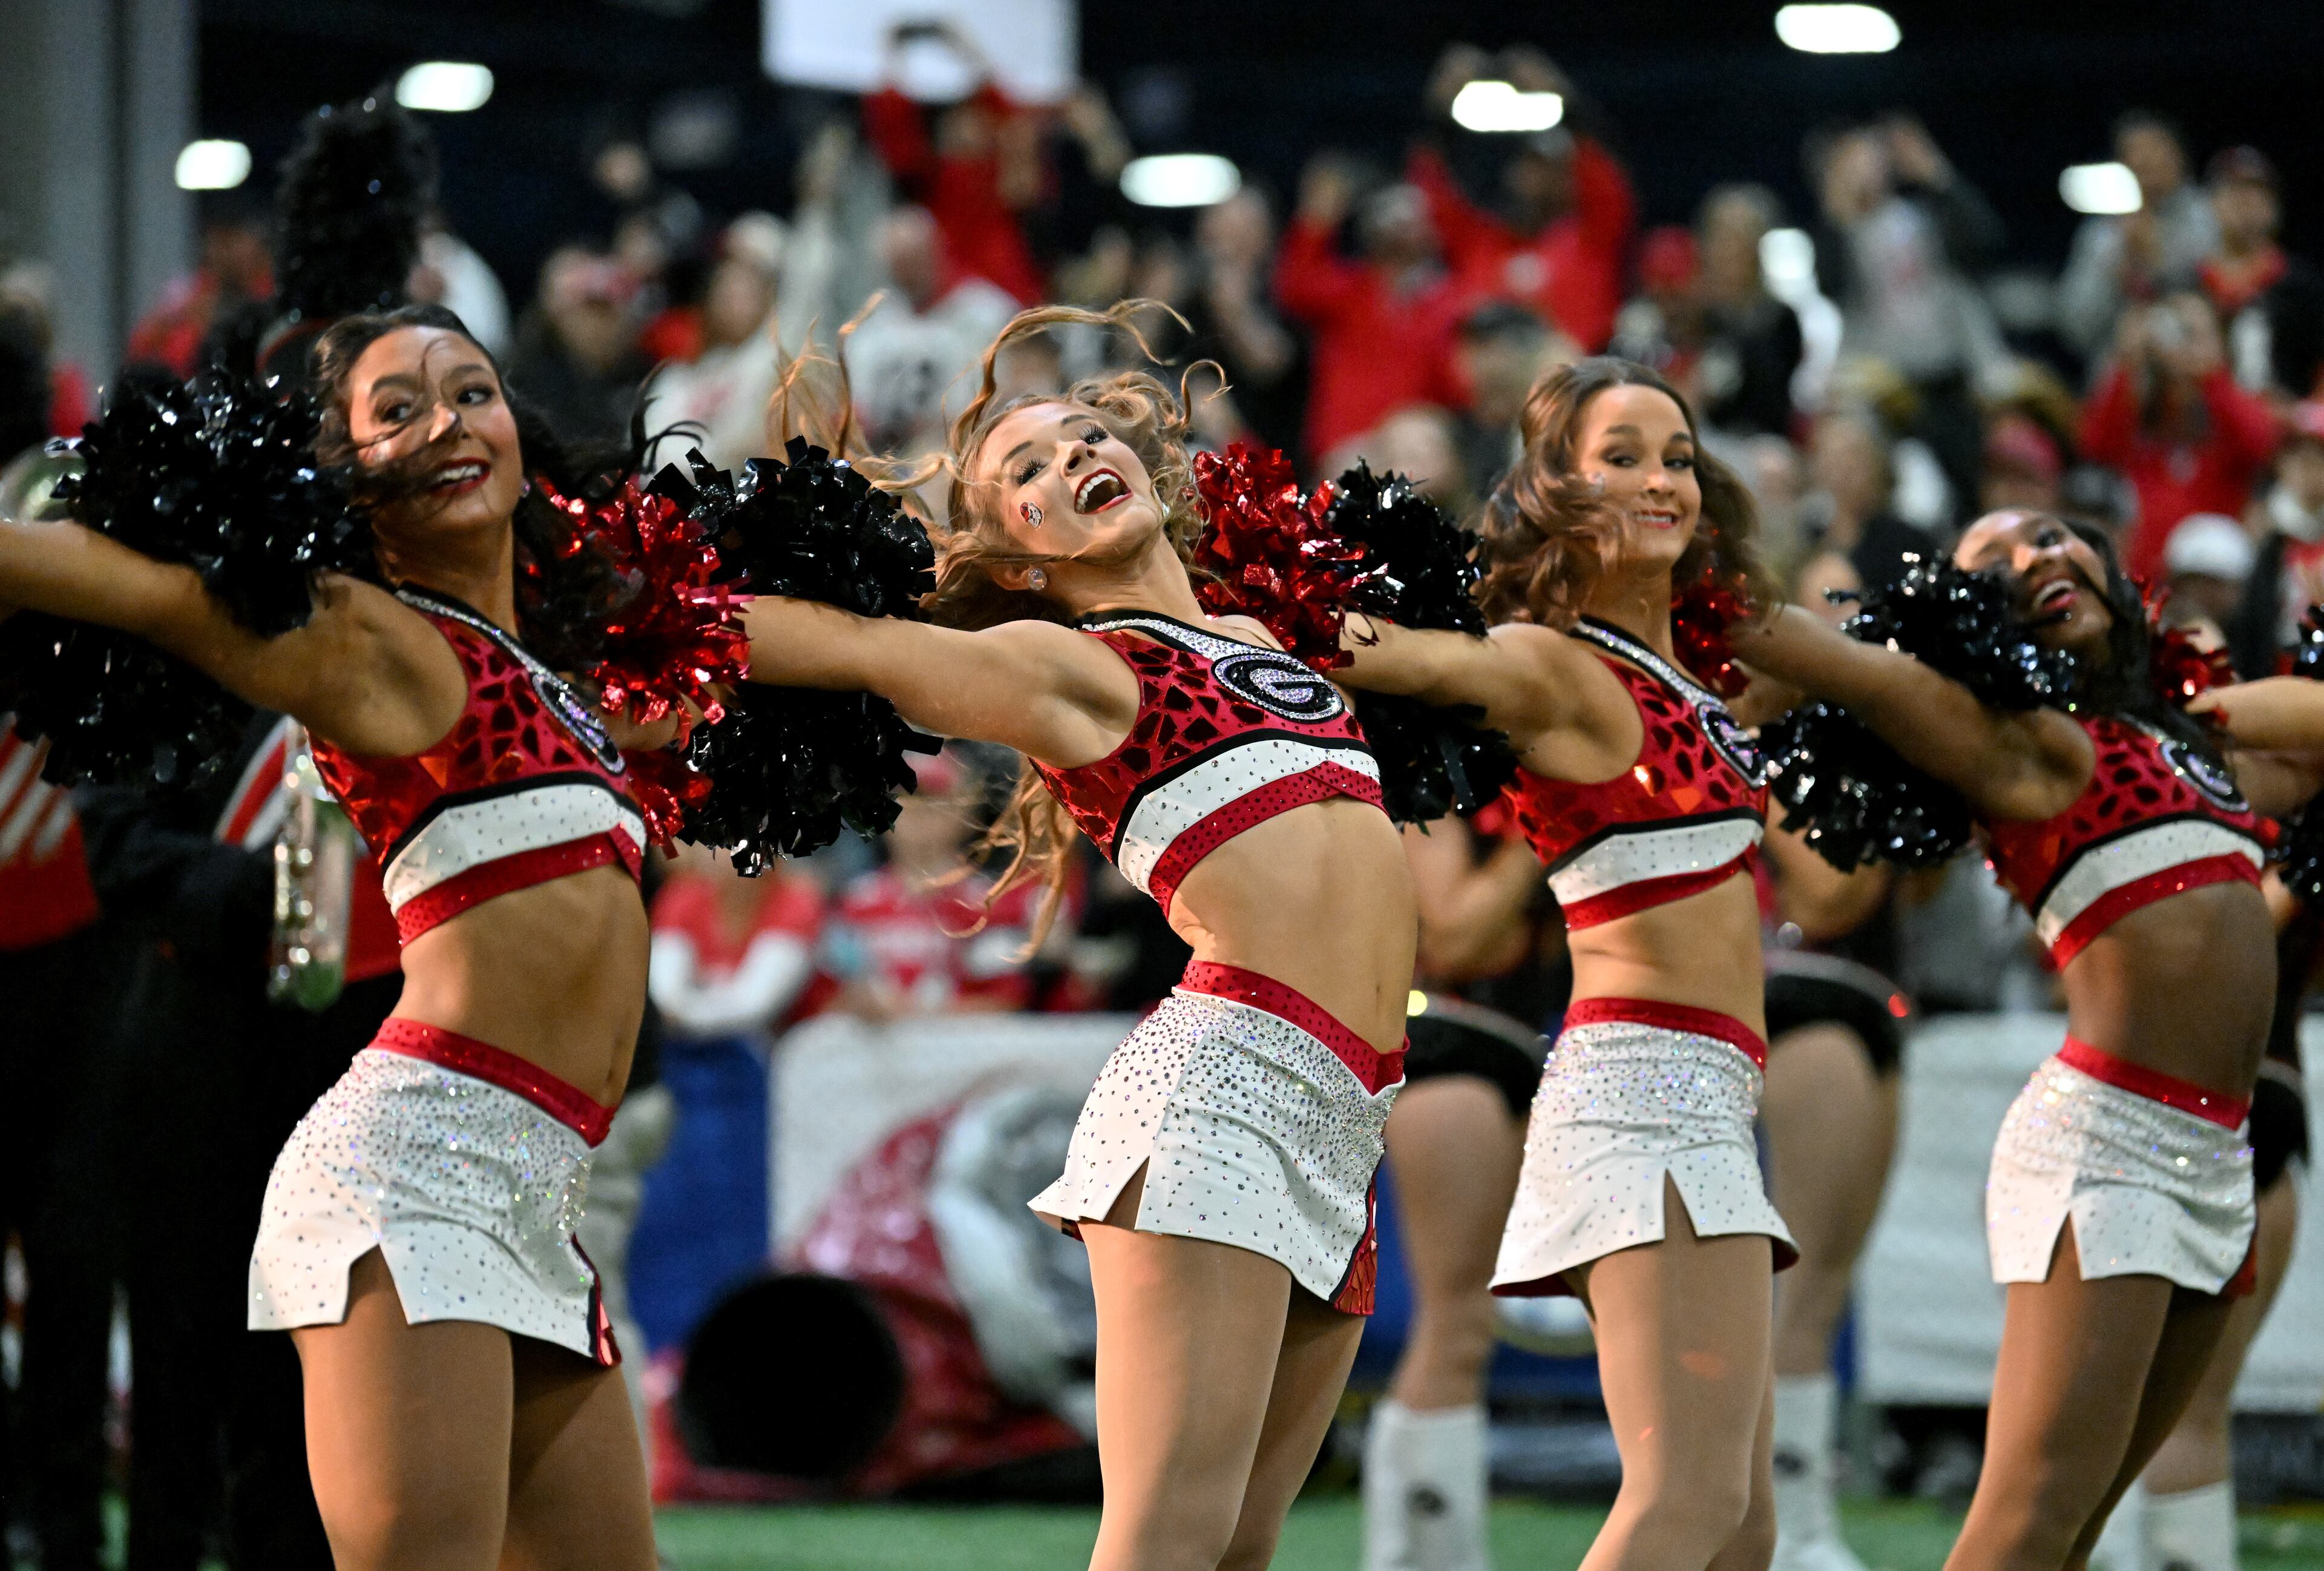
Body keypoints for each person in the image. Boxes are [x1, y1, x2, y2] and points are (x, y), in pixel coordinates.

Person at [0, 303, 675, 1570]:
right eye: (397, 408)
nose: (447, 422)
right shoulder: (372, 644)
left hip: (536, 1190)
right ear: (348, 472)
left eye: (469, 390)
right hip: (411, 1177)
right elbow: (128, 587)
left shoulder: (554, 684)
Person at [741, 305, 1416, 1571]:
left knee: (1239, 1549)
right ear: (1023, 553)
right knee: (1164, 1540)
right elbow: (864, 648)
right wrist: (636, 620)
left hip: (1346, 1114)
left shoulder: (1277, 647)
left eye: (1081, 435)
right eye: (1026, 475)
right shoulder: (1083, 667)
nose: (1067, 462)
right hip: (1221, 1097)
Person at [1736, 507, 2299, 1571]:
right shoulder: (2025, 751)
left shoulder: (2194, 756)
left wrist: (2186, 704)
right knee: (2025, 1526)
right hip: (2108, 1152)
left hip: (2218, 1160)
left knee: (2078, 1531)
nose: (2034, 558)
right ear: (1967, 623)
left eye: (2050, 534)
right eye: (1991, 564)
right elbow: (1813, 649)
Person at [1331, 357, 1794, 1571]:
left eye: (1679, 457)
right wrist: (1233, 603)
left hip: (1708, 1101)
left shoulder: (1693, 677)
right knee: (1686, 1503)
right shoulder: (1555, 661)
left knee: (1741, 1527)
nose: (1661, 480)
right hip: (1640, 1091)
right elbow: (1410, 660)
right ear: (1556, 489)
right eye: (1624, 456)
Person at [2079, 293, 2280, 582]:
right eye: (2177, 332)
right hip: (2141, 586)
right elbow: (2096, 447)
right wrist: (2127, 363)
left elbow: (2261, 445)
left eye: (2199, 335)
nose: (2186, 347)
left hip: (2211, 588)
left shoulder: (2229, 427)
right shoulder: (2139, 433)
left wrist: (2211, 373)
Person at [1276, 161, 1468, 463]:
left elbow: (1461, 383)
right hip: (1345, 452)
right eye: (1389, 215)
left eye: (1412, 218)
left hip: (1416, 454)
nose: (1399, 224)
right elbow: (1294, 285)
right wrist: (1317, 218)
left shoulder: (1453, 299)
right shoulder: (1348, 290)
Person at [2056, 112, 2218, 362]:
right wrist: (2116, 269)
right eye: (2134, 152)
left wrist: (2157, 260)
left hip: (2196, 367)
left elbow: (2222, 294)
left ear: (2179, 157)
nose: (2146, 160)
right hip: (2121, 371)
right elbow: (2076, 328)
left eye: (2156, 148)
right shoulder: (2103, 232)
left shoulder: (2211, 214)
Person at [2198, 147, 2324, 402]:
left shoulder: (2302, 284)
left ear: (2275, 208)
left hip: (2286, 430)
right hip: (2208, 433)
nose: (2246, 204)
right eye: (2234, 192)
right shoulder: (2190, 285)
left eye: (2258, 194)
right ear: (2211, 204)